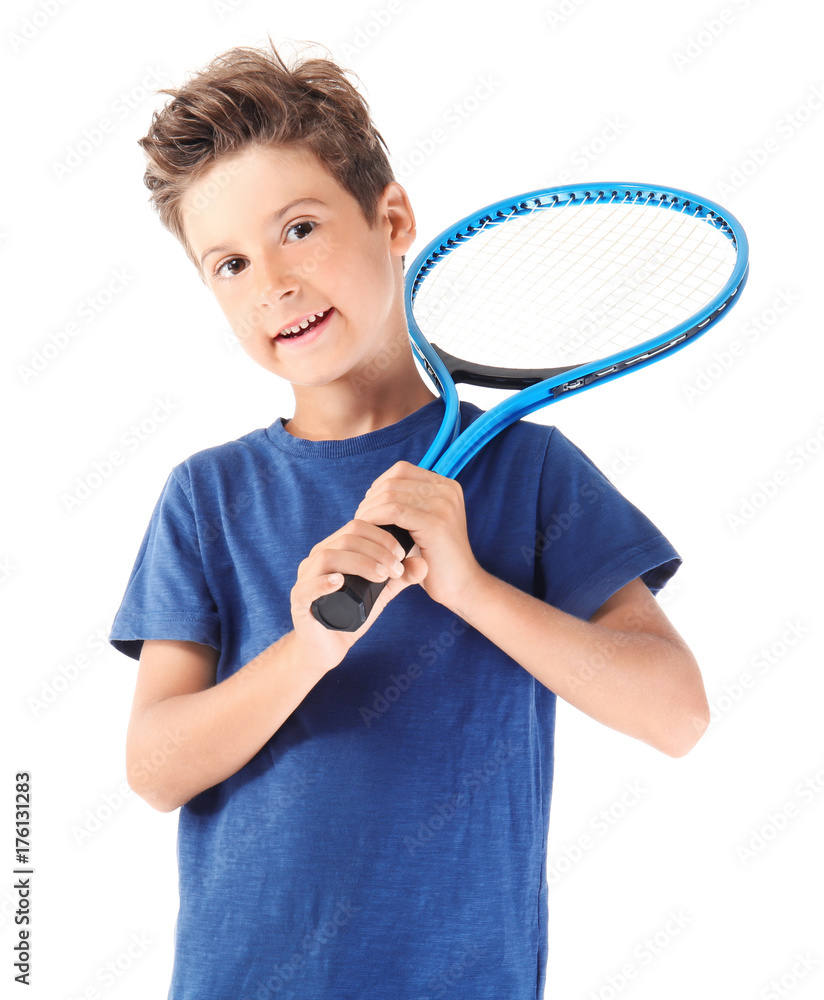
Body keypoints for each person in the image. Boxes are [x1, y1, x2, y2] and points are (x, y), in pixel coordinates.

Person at [109, 38, 710, 1000]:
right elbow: (155, 769)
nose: (273, 284)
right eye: (228, 263)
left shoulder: (530, 471)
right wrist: (307, 647)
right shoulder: (208, 497)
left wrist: (468, 584)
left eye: (298, 229)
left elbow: (677, 712)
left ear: (391, 217)